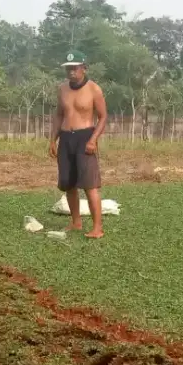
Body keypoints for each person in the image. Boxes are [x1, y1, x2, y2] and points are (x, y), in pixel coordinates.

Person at [49, 50, 108, 238]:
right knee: (68, 184)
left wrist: (93, 140)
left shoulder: (94, 89)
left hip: (85, 138)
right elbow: (59, 115)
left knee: (90, 185)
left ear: (84, 68)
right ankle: (76, 222)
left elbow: (103, 117)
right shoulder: (62, 89)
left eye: (74, 68)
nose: (71, 72)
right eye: (68, 69)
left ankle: (97, 228)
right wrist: (53, 139)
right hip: (66, 138)